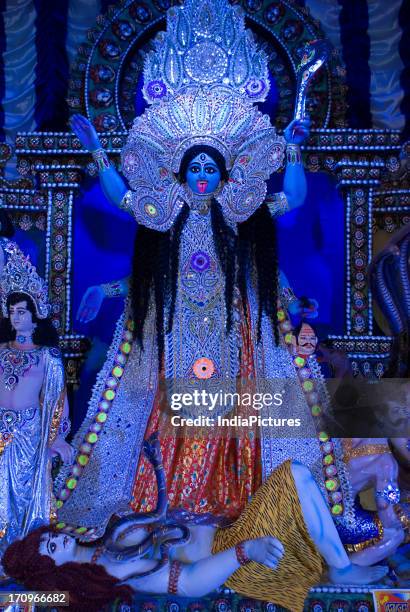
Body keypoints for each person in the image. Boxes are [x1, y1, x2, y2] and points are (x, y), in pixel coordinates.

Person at [57, 0, 380, 561]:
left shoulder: (239, 210)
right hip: (174, 327)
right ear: (180, 172)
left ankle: (240, 507)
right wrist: (95, 151)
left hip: (236, 331)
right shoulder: (164, 211)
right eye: (195, 168)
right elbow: (120, 197)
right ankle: (167, 505)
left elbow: (295, 196)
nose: (203, 176)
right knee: (163, 408)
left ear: (224, 173)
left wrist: (296, 148)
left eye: (211, 168)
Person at [4, 450, 388, 612]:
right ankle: (341, 567)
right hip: (237, 554)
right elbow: (188, 583)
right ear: (51, 568)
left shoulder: (99, 539)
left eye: (48, 537)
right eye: (51, 548)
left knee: (300, 480)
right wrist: (245, 551)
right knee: (296, 476)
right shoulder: (110, 570)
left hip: (230, 527)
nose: (56, 538)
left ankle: (343, 561)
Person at [0, 245, 74, 567]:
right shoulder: (0, 350)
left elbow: (57, 402)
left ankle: (24, 558)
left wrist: (55, 438)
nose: (16, 317)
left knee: (26, 501)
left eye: (22, 311)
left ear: (35, 314)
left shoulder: (48, 357)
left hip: (30, 437)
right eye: (12, 311)